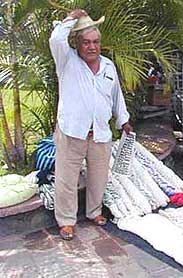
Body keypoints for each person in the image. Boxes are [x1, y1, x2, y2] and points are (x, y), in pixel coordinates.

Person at [49, 9, 133, 240]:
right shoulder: (66, 61)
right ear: (77, 43)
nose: (91, 47)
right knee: (66, 180)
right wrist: (70, 19)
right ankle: (66, 221)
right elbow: (56, 39)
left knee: (99, 177)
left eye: (95, 42)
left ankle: (94, 212)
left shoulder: (108, 66)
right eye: (86, 42)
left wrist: (123, 119)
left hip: (100, 134)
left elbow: (116, 96)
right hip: (72, 133)